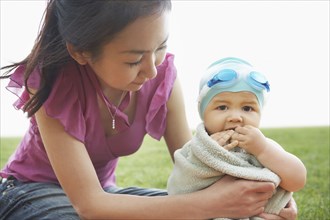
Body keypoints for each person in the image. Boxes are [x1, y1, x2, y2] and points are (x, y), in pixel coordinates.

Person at [0, 1, 299, 219]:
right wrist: (214, 204)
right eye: (133, 60)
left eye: (160, 47)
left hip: (106, 197)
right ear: (81, 52)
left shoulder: (163, 74)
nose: (153, 70)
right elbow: (89, 206)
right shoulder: (51, 81)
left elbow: (201, 167)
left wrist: (262, 197)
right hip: (29, 191)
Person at [167, 57, 307, 219]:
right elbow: (178, 189)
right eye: (222, 107)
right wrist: (206, 153)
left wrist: (263, 150)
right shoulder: (195, 149)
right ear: (203, 113)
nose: (236, 117)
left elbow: (297, 180)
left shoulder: (264, 147)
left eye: (247, 108)